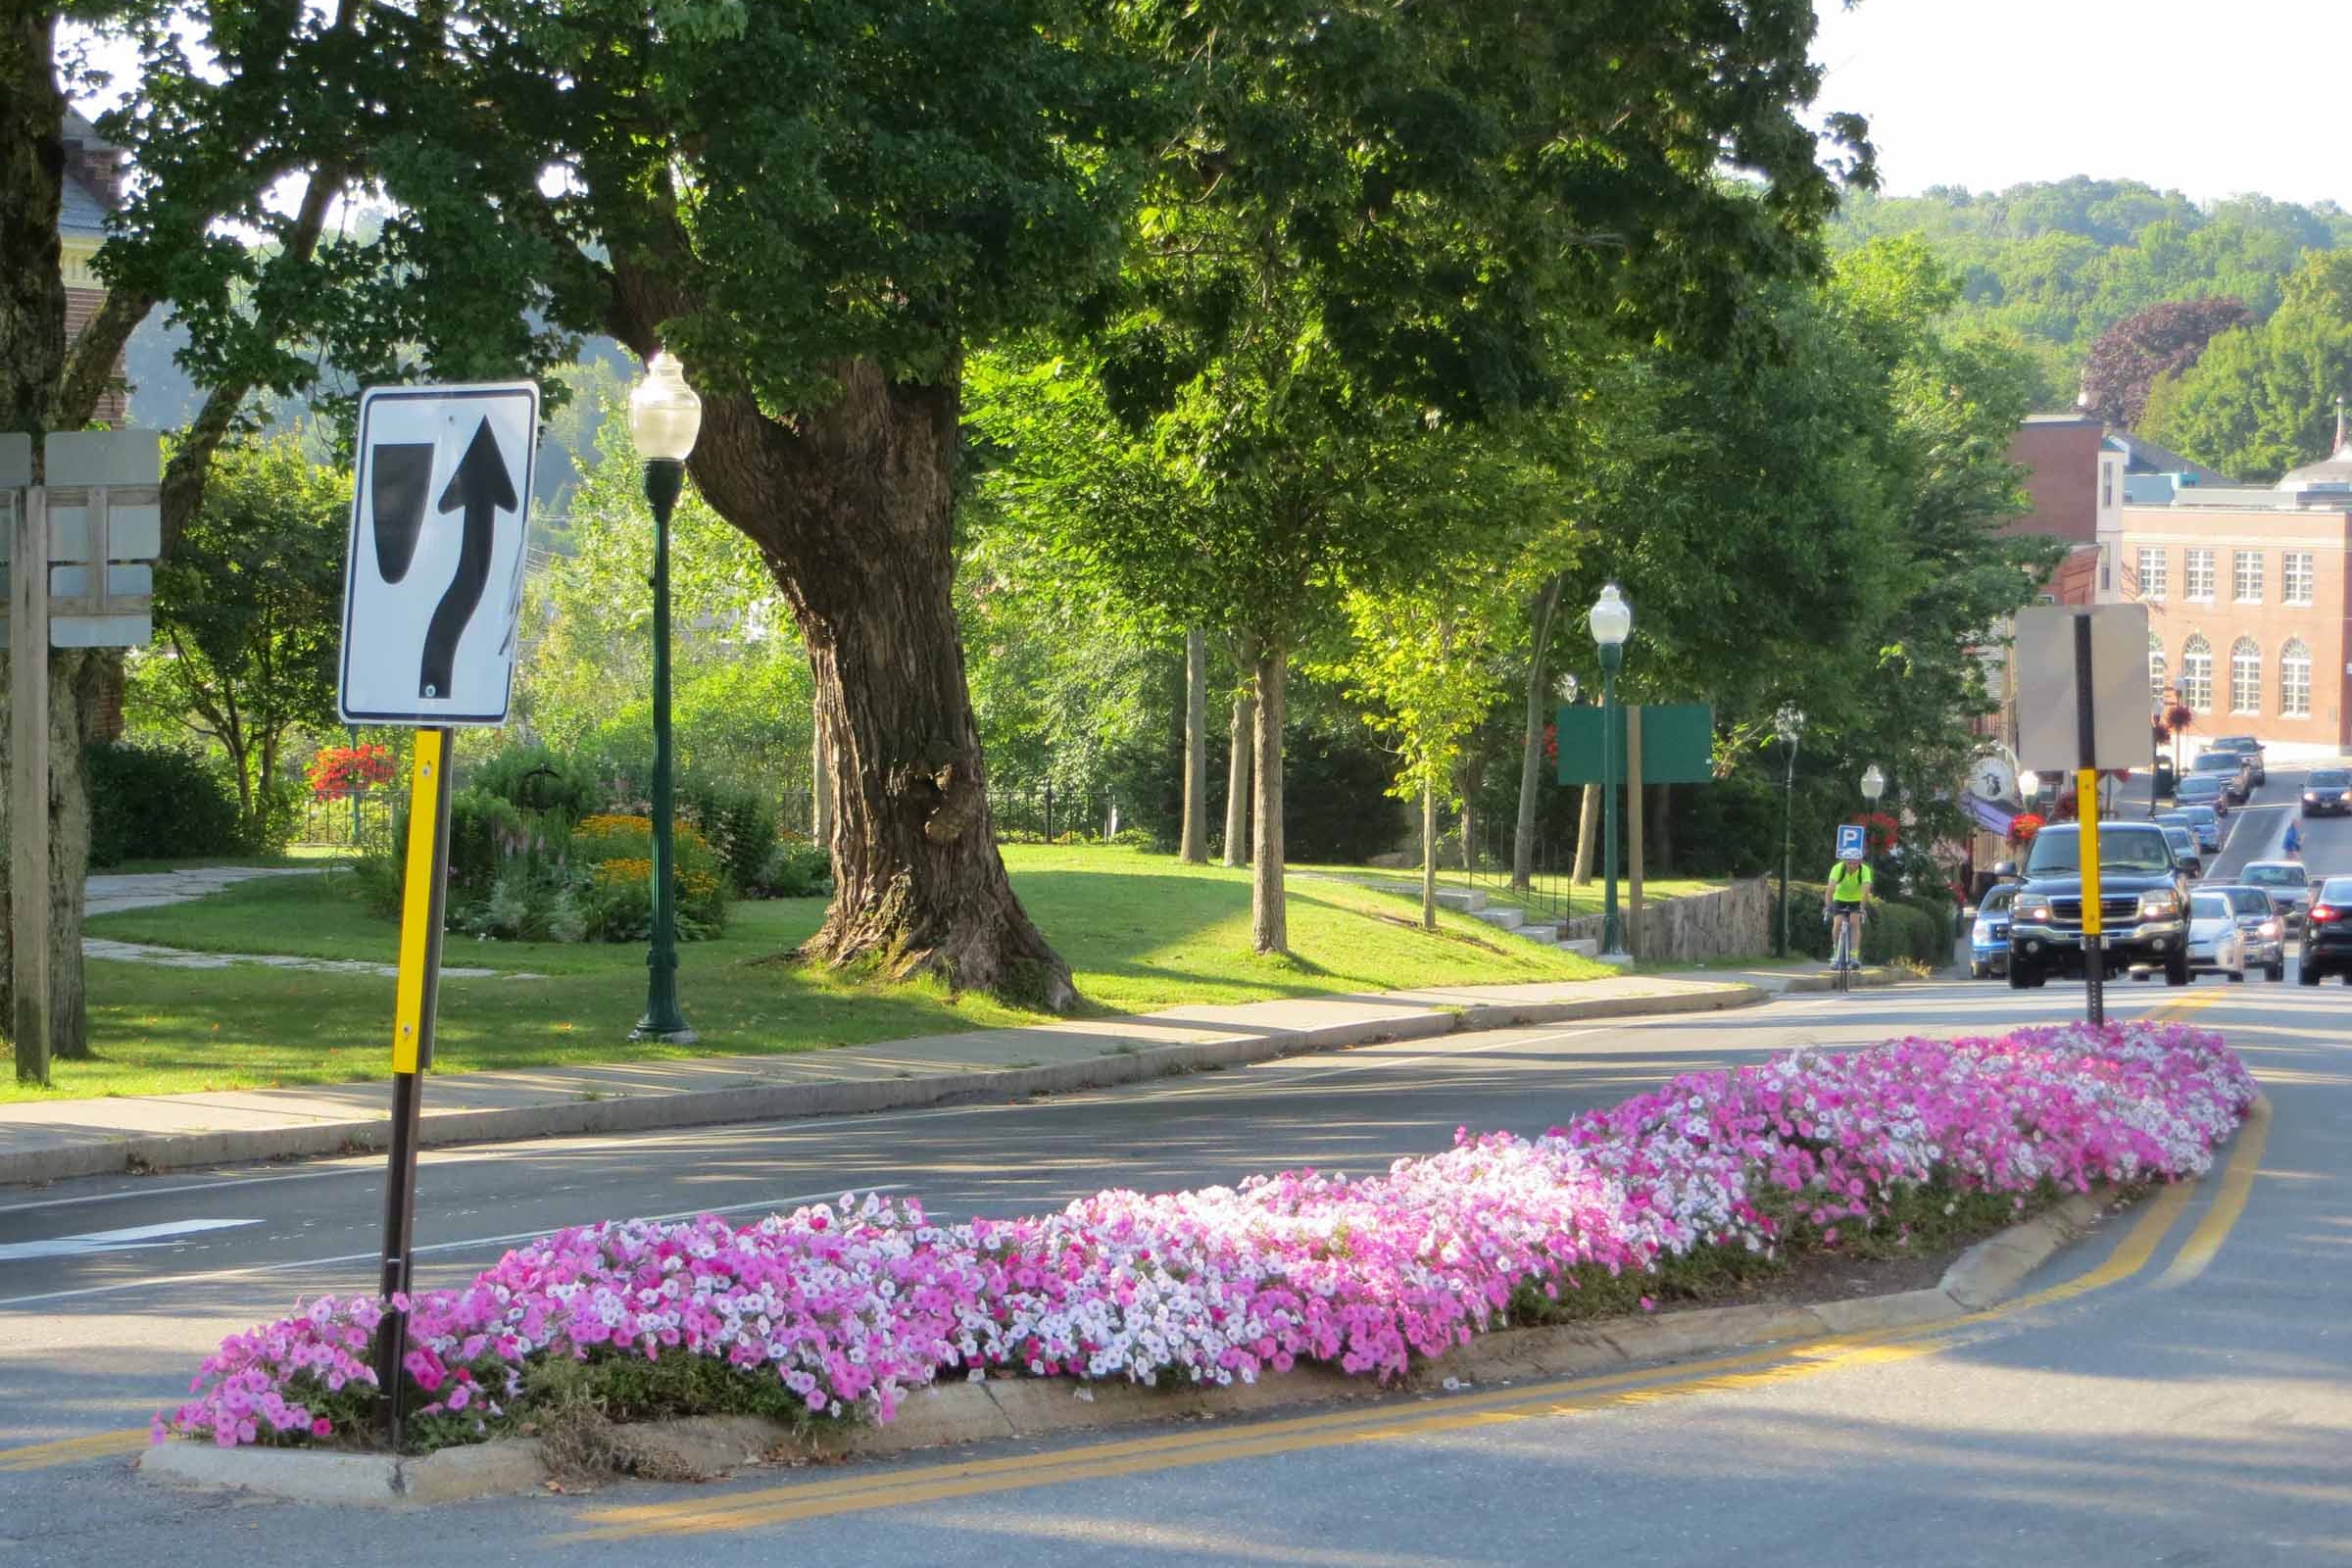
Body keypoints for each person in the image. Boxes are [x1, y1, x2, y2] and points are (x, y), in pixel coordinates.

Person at [1823, 852, 1873, 969]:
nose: (1853, 866)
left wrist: (1861, 907)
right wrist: (1829, 906)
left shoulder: (1864, 870)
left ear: (1860, 862)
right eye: (1850, 863)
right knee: (1838, 923)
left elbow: (1866, 891)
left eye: (1856, 863)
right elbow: (1830, 889)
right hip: (1839, 898)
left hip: (1856, 899)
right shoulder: (1837, 869)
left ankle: (1854, 956)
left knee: (1854, 922)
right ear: (1845, 861)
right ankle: (1835, 953)